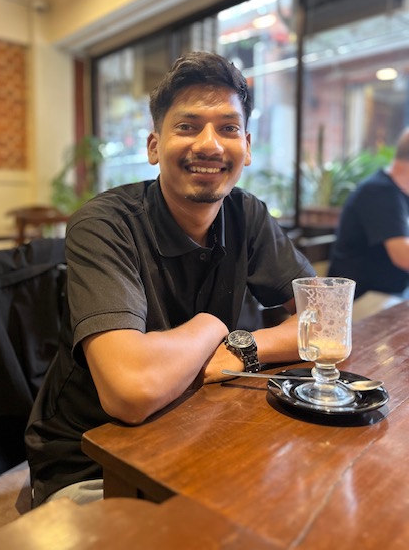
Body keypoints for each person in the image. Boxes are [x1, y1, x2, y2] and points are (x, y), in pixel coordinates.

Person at [25, 51, 315, 508]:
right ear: (154, 147)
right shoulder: (105, 224)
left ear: (246, 146)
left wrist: (243, 349)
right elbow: (131, 391)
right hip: (93, 462)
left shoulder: (247, 215)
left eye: (228, 128)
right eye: (187, 126)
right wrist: (212, 326)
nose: (210, 145)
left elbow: (325, 322)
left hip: (201, 434)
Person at [328, 128, 409, 298]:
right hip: (360, 298)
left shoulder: (397, 192)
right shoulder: (379, 192)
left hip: (389, 293)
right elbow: (403, 256)